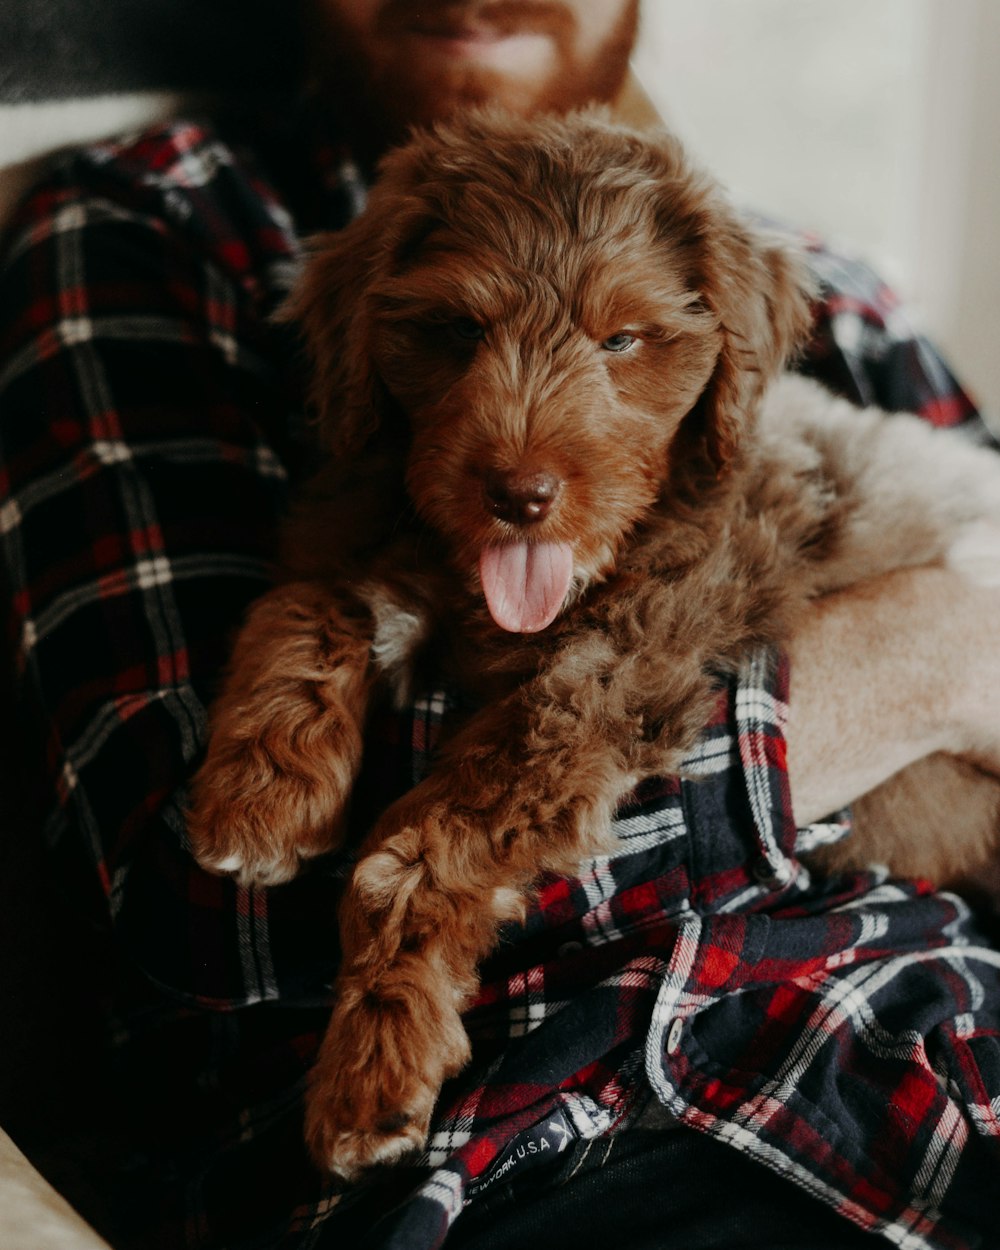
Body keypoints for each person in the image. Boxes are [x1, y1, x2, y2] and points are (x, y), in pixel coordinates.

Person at [1, 2, 999, 1247]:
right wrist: (925, 665)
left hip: (951, 1054)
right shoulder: (160, 224)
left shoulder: (830, 292)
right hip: (576, 1127)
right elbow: (202, 899)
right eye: (453, 335)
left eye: (624, 341)